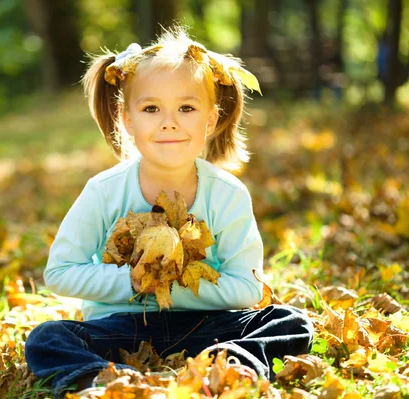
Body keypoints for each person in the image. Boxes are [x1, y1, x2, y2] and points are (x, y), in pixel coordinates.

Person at [25, 28, 313, 398]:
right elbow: (60, 273)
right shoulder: (103, 191)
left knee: (288, 321)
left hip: (208, 328)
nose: (169, 122)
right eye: (150, 109)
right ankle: (103, 380)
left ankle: (229, 367)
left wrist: (172, 286)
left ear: (210, 120)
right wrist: (134, 283)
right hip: (121, 327)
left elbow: (246, 287)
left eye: (187, 108)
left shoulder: (227, 194)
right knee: (47, 338)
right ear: (127, 120)